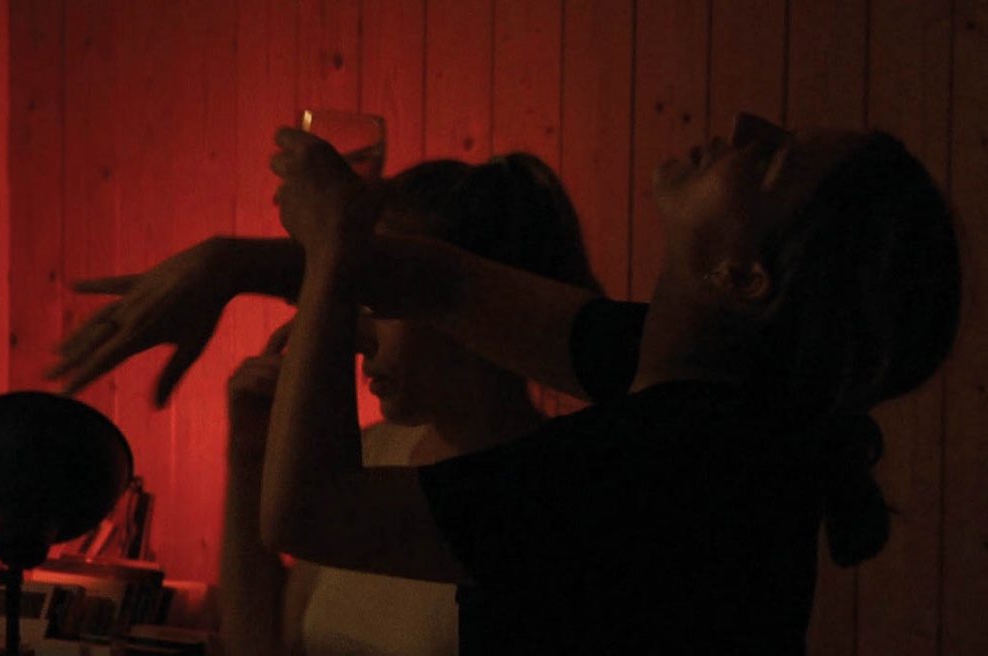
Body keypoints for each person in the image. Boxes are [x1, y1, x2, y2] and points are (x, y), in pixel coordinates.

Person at [260, 111, 962, 655]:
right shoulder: (715, 389)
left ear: (744, 277)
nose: (749, 127)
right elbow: (446, 284)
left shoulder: (664, 467)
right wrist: (229, 269)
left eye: (773, 158)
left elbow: (311, 510)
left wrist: (333, 247)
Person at [52, 155, 601, 655]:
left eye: (379, 300)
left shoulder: (556, 490)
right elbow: (264, 647)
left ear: (468, 316)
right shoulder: (369, 455)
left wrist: (239, 263)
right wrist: (248, 454)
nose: (357, 334)